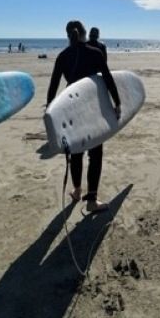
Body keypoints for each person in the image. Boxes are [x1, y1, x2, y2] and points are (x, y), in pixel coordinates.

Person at [47, 20, 121, 213]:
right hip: (91, 106)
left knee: (76, 151)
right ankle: (91, 201)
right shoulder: (95, 53)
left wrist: (50, 113)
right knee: (95, 153)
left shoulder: (63, 56)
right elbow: (108, 78)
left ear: (68, 34)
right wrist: (117, 103)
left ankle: (77, 190)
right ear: (84, 33)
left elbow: (53, 86)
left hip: (71, 107)